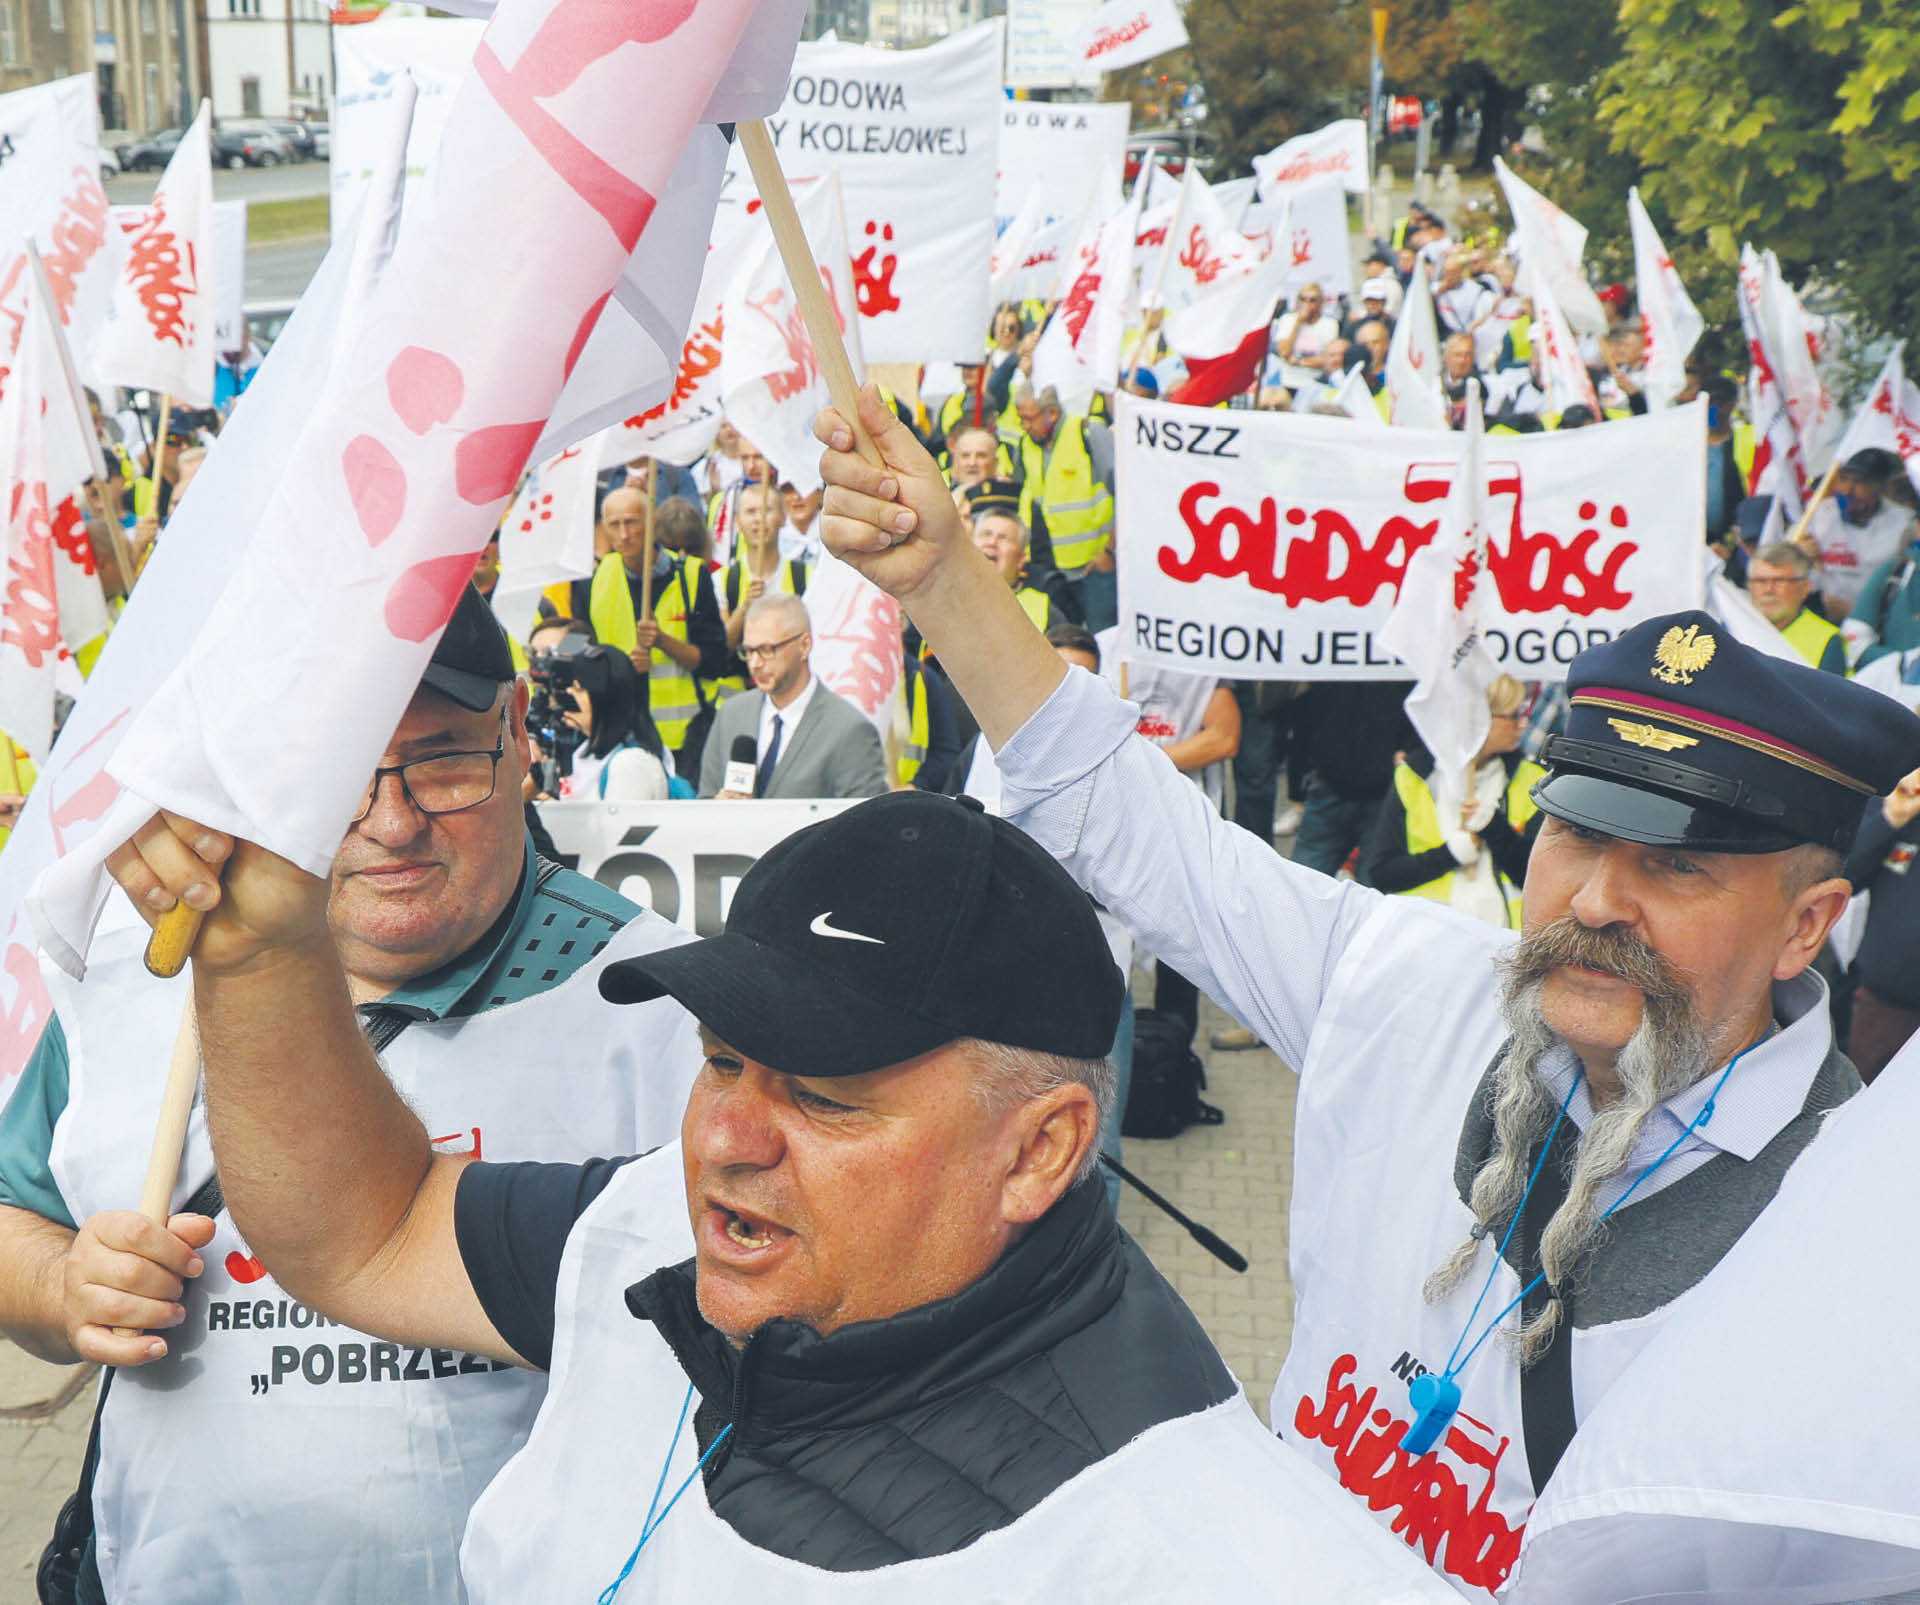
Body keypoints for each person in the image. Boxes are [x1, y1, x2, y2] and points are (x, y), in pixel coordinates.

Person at [812, 386, 1920, 1596]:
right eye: (1577, 835)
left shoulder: (1852, 1238)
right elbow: (1136, 826)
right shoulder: (1416, 989)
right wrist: (946, 584)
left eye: (1677, 864)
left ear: (1807, 925)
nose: (1599, 901)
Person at [98, 792, 1456, 1601]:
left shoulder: (1217, 1556)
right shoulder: (649, 1237)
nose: (726, 1140)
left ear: (1041, 1151)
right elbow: (364, 1229)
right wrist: (262, 958)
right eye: (722, 1057)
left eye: (826, 1096)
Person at [0, 587, 701, 1603]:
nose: (392, 821)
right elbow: (14, 1217)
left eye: (445, 760)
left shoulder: (665, 1008)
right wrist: (68, 1289)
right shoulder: (127, 977)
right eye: (337, 773)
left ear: (516, 734)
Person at [573, 484, 733, 781]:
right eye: (614, 524)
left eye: (632, 522)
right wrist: (623, 669)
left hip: (686, 737)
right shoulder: (593, 580)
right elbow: (587, 659)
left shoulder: (693, 575)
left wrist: (663, 642)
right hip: (624, 736)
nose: (624, 534)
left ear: (651, 524)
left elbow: (715, 661)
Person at [1363, 676, 1544, 928]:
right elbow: (1382, 874)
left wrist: (1495, 828)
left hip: (1505, 942)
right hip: (1428, 938)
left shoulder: (1533, 779)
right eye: (1513, 716)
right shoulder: (1413, 777)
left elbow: (1540, 880)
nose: (1523, 724)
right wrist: (1451, 853)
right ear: (1478, 720)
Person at [699, 596, 886, 801]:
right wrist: (718, 807)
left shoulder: (850, 730)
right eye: (749, 651)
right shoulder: (731, 715)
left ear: (804, 646)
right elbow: (705, 802)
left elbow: (864, 824)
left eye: (767, 650)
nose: (754, 663)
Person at [1008, 380, 1116, 630]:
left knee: (1101, 638)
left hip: (1094, 569)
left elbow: (1125, 492)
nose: (1024, 426)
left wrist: (1109, 553)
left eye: (1029, 418)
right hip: (1051, 571)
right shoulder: (1026, 445)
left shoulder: (1087, 432)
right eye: (1020, 419)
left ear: (1052, 413)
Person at [1840, 767, 1920, 1082]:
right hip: (1883, 1008)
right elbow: (1844, 878)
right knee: (1862, 1113)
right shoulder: (1902, 802)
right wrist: (1890, 819)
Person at [552, 645, 676, 801]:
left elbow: (619, 825)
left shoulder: (630, 764)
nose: (567, 696)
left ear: (607, 699)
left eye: (578, 689)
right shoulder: (585, 750)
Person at [1803, 448, 1915, 620]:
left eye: (1859, 482)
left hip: (1875, 620)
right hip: (1820, 613)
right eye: (1844, 479)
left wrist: (1859, 614)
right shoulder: (1819, 514)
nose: (1847, 490)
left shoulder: (1904, 525)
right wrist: (1802, 557)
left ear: (1879, 487)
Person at [966, 480, 1077, 634]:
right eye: (986, 534)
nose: (992, 542)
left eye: (1003, 538)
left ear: (1021, 559)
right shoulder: (944, 595)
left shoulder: (1043, 607)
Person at [721, 480, 809, 655]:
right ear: (738, 521)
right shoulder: (723, 579)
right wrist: (745, 607)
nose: (758, 519)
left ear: (783, 518)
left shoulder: (805, 577)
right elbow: (723, 645)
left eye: (767, 510)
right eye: (750, 512)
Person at [1744, 541, 1847, 673]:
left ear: (1805, 588)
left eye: (1779, 581)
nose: (1768, 590)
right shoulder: (1731, 629)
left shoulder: (1827, 640)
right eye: (1760, 581)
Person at [1270, 283, 1339, 393]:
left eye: (1312, 300)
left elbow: (1327, 359)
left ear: (1321, 302)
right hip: (1288, 382)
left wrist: (1298, 362)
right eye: (1303, 299)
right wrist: (1298, 323)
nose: (1307, 304)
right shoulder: (1288, 320)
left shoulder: (1330, 324)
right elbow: (1284, 352)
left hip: (1316, 383)